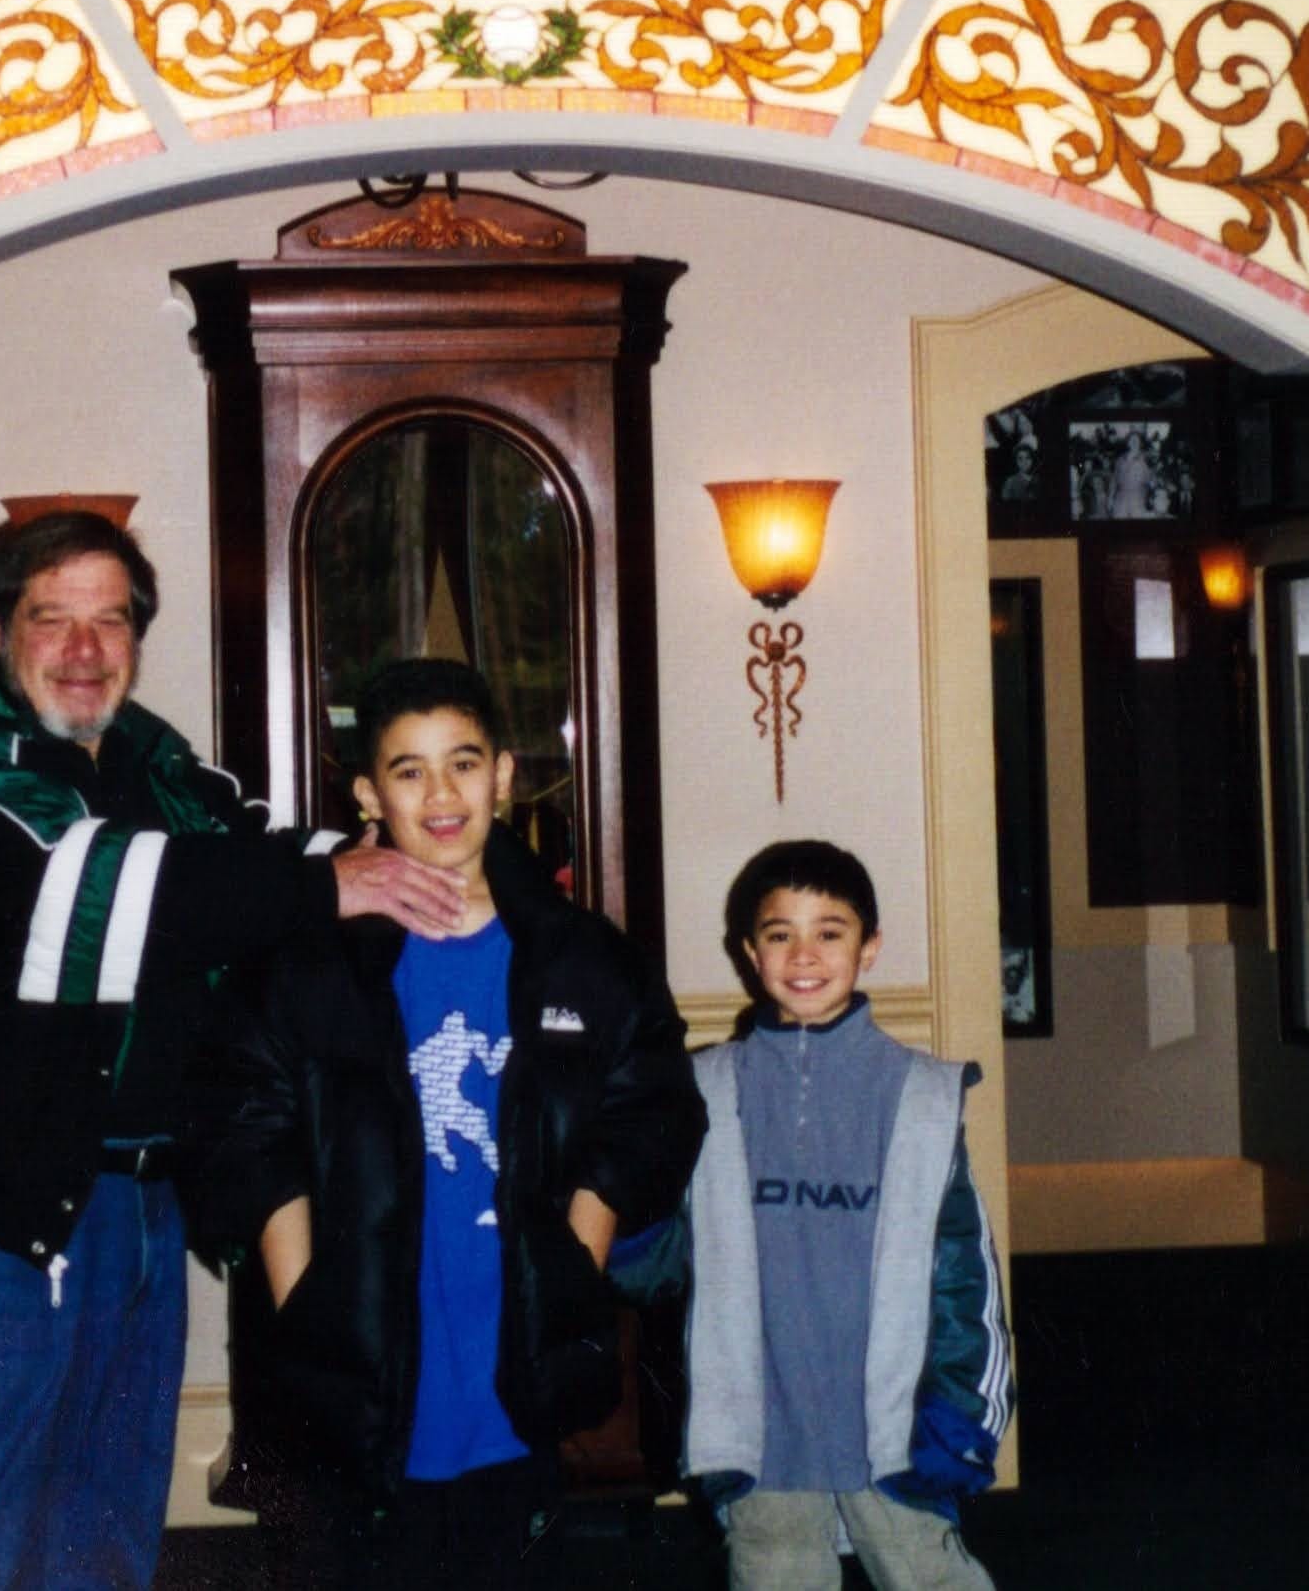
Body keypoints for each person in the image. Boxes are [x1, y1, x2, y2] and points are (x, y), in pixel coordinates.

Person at [0, 509, 465, 1591]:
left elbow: (245, 844)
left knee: (105, 1536)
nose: (85, 649)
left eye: (111, 621)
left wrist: (417, 857)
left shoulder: (142, 752)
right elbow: (85, 887)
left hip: (136, 1201)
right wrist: (328, 882)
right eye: (52, 619)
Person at [192, 657, 706, 1586]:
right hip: (354, 1371)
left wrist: (577, 1251)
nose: (440, 795)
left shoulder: (586, 959)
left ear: (502, 775)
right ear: (367, 793)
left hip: (517, 1362)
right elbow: (242, 1125)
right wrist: (302, 1289)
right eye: (409, 769)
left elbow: (652, 1114)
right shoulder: (306, 962)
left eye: (463, 763)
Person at [683, 840, 1012, 1591]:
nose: (804, 955)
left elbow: (966, 1279)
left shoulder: (921, 1097)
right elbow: (664, 1257)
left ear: (869, 948)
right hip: (763, 1435)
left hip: (893, 1432)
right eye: (780, 934)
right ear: (750, 952)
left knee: (928, 1575)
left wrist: (959, 1418)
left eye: (829, 933)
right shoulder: (707, 1092)